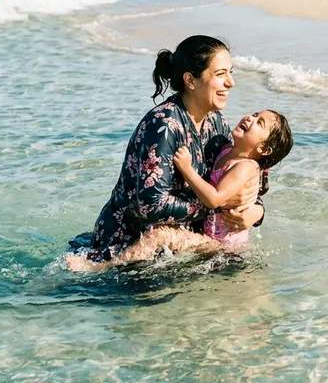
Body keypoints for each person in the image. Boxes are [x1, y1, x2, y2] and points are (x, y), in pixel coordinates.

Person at [66, 35, 265, 269]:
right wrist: (215, 204)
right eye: (220, 74)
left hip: (180, 247)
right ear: (190, 80)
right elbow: (150, 206)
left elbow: (234, 177)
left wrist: (256, 211)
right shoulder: (163, 126)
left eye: (230, 72)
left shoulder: (216, 122)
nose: (230, 82)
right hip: (129, 249)